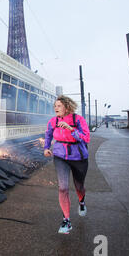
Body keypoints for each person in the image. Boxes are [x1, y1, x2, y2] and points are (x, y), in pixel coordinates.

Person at [43, 95, 90, 234]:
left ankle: (81, 201)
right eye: (55, 106)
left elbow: (86, 138)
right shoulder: (53, 121)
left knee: (79, 185)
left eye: (58, 106)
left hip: (79, 157)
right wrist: (46, 148)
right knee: (63, 188)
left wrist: (71, 128)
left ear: (66, 106)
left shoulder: (78, 120)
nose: (55, 108)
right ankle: (66, 220)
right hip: (60, 156)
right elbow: (48, 135)